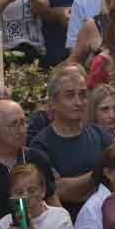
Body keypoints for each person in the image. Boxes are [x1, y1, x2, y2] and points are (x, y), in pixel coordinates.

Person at [29, 64, 109, 209]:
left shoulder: (100, 135)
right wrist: (100, 173)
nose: (78, 102)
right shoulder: (41, 146)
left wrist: (77, 185)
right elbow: (57, 191)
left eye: (83, 95)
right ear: (53, 102)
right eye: (70, 95)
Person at [0, 163, 72, 229]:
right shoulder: (3, 225)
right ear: (11, 195)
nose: (26, 198)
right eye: (19, 192)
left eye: (32, 191)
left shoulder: (60, 217)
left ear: (43, 190)